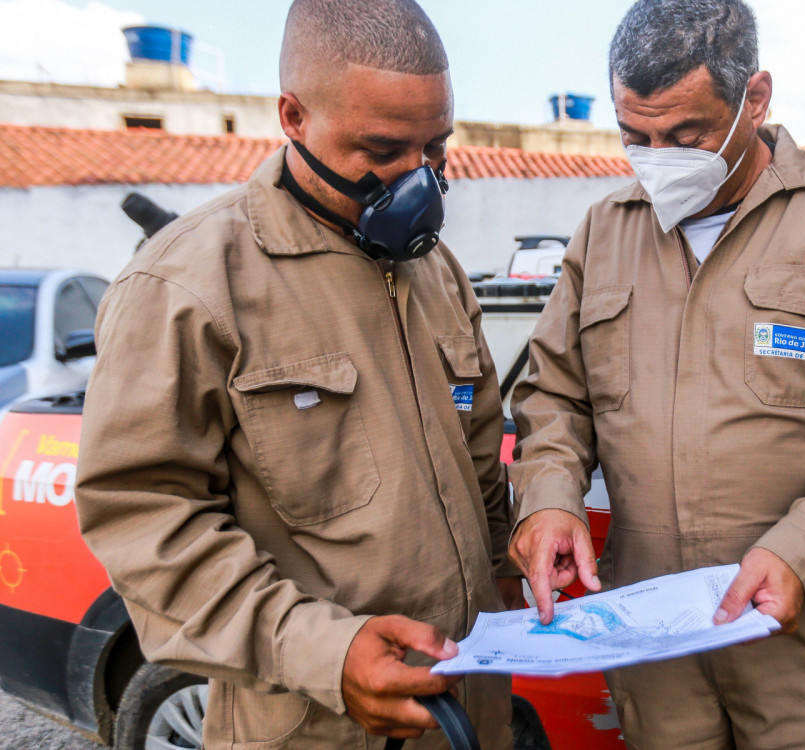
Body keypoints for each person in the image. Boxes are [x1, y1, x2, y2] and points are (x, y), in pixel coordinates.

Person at [505, 1, 805, 748]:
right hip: (661, 662)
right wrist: (549, 500)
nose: (658, 155)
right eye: (636, 136)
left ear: (754, 98)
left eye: (685, 135)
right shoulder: (604, 233)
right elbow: (555, 397)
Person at [74, 1, 520, 748]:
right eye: (381, 149)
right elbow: (145, 518)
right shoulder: (186, 285)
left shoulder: (437, 271)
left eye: (435, 148)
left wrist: (507, 563)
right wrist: (324, 652)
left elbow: (478, 454)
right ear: (293, 116)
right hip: (311, 723)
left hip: (466, 710)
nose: (418, 182)